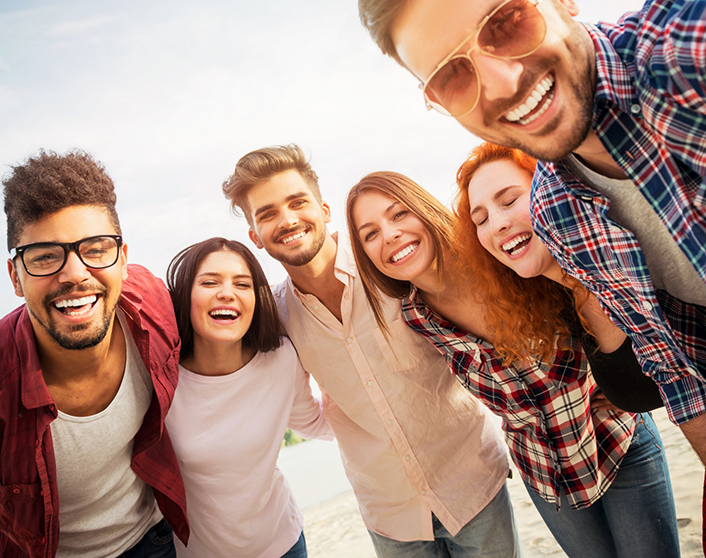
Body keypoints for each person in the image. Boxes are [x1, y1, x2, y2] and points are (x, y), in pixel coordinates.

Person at [358, 0, 706, 463]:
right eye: (452, 76)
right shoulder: (557, 213)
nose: (502, 80)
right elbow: (681, 379)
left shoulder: (678, 58)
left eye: (506, 22)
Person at [346, 165, 680, 558]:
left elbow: (591, 294)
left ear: (424, 210)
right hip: (546, 477)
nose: (390, 234)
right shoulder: (418, 318)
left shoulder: (501, 259)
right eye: (370, 234)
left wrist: (617, 380)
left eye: (398, 213)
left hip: (616, 443)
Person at [222, 144, 521, 558]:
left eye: (297, 202)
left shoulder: (391, 261)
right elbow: (299, 411)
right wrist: (358, 427)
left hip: (472, 483)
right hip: (389, 514)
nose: (287, 220)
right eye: (268, 213)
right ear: (255, 236)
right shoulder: (275, 315)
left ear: (324, 210)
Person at [1, 149, 188, 558]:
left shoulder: (152, 307)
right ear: (16, 276)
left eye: (96, 248)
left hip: (155, 539)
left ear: (123, 260)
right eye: (45, 256)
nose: (75, 274)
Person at [164, 237, 332, 558]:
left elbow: (313, 422)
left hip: (283, 543)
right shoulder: (162, 380)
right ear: (185, 295)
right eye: (210, 282)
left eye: (242, 284)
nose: (227, 292)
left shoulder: (281, 360)